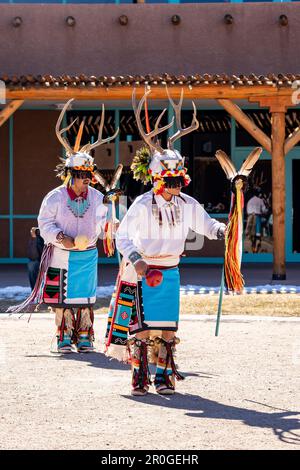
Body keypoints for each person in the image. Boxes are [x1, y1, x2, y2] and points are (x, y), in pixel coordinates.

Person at [105, 89, 226, 396]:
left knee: (168, 329)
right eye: (168, 181)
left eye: (177, 180)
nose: (174, 186)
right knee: (143, 330)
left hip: (170, 272)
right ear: (159, 179)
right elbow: (121, 236)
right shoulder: (143, 204)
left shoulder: (187, 203)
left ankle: (163, 376)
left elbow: (207, 224)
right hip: (144, 272)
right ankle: (139, 375)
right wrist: (137, 259)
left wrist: (223, 231)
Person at [9, 99, 119, 354]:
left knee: (84, 297)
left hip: (87, 254)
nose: (84, 181)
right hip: (60, 254)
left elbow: (104, 223)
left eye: (87, 176)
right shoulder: (55, 196)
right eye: (80, 176)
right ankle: (63, 336)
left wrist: (112, 224)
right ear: (70, 175)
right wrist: (60, 237)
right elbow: (44, 222)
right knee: (62, 299)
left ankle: (84, 336)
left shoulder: (95, 197)